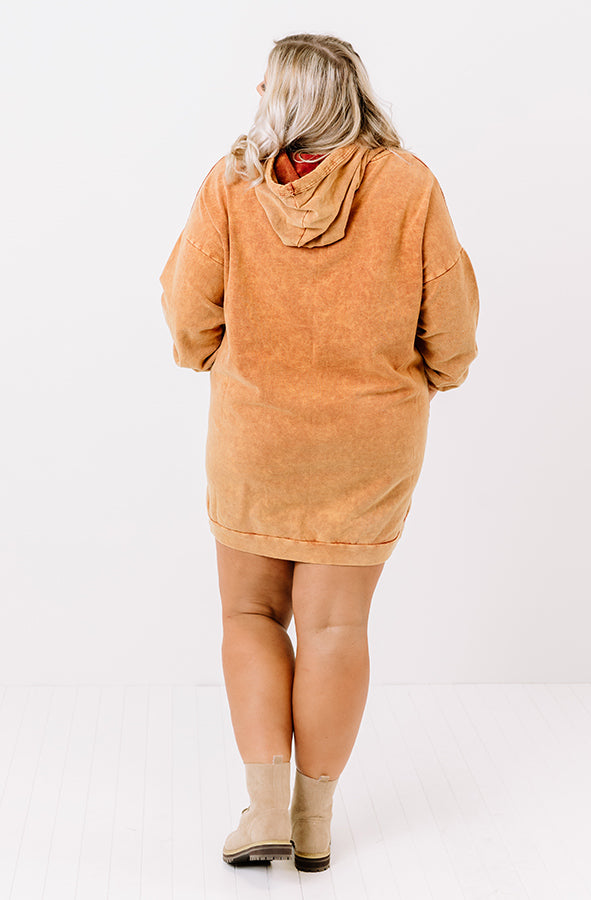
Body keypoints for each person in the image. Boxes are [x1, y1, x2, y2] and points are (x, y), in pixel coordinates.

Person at [159, 32, 479, 873]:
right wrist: (434, 376)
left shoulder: (232, 182)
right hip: (370, 445)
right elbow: (453, 330)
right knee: (338, 625)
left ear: (283, 98)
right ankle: (313, 824)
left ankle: (263, 810)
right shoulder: (409, 185)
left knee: (250, 616)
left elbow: (188, 317)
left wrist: (212, 357)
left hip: (255, 438)